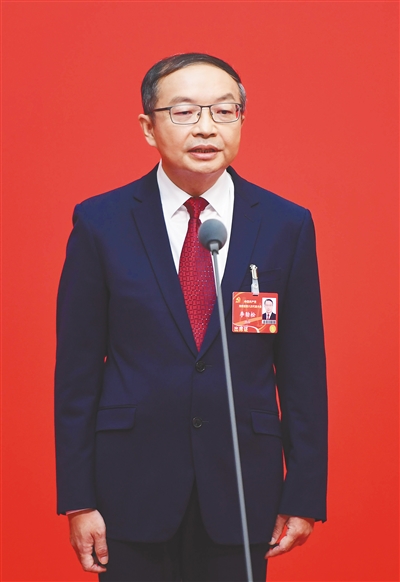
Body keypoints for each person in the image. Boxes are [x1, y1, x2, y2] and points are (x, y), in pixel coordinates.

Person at [55, 53, 327, 582]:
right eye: (184, 112)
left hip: (243, 487)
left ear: (241, 121)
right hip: (129, 488)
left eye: (224, 111)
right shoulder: (101, 222)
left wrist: (304, 492)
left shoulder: (286, 224)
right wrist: (78, 499)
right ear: (148, 127)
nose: (206, 127)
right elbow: (77, 375)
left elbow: (303, 373)